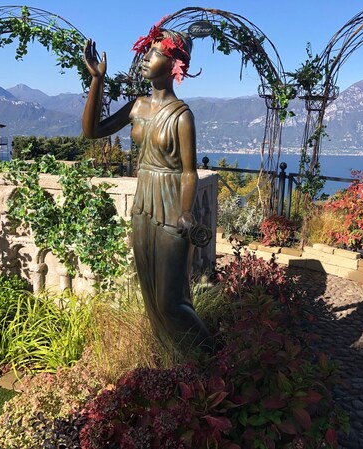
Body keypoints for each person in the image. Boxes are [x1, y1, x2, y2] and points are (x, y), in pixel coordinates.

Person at [82, 22, 214, 354]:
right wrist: (97, 80)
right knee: (151, 296)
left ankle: (213, 360)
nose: (145, 58)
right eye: (147, 51)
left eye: (154, 53)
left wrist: (186, 213)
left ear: (173, 65)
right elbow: (92, 131)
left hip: (172, 207)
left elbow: (189, 173)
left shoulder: (182, 116)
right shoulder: (137, 106)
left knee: (171, 301)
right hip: (143, 205)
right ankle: (172, 359)